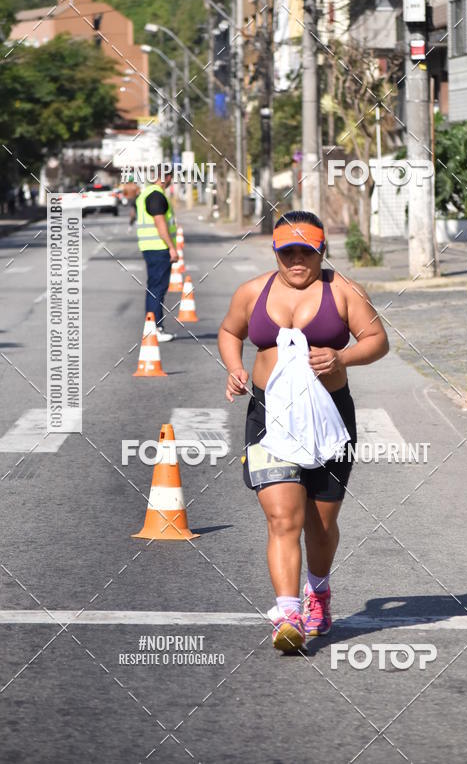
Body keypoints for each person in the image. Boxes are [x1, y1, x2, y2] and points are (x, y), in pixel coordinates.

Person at [218, 211, 389, 653]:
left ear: (321, 251)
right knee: (282, 519)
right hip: (268, 418)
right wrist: (235, 368)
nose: (297, 260)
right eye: (287, 251)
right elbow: (229, 331)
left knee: (320, 523)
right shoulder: (253, 291)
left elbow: (377, 341)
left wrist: (341, 358)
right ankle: (288, 613)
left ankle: (318, 590)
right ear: (275, 251)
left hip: (328, 417)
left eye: (306, 251)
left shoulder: (343, 291)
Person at [135, 164, 178, 342]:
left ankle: (154, 326)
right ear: (166, 177)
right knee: (157, 288)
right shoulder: (156, 196)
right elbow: (160, 223)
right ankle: (154, 328)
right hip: (158, 248)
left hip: (150, 247)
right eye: (171, 177)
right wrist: (171, 247)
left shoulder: (146, 193)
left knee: (155, 287)